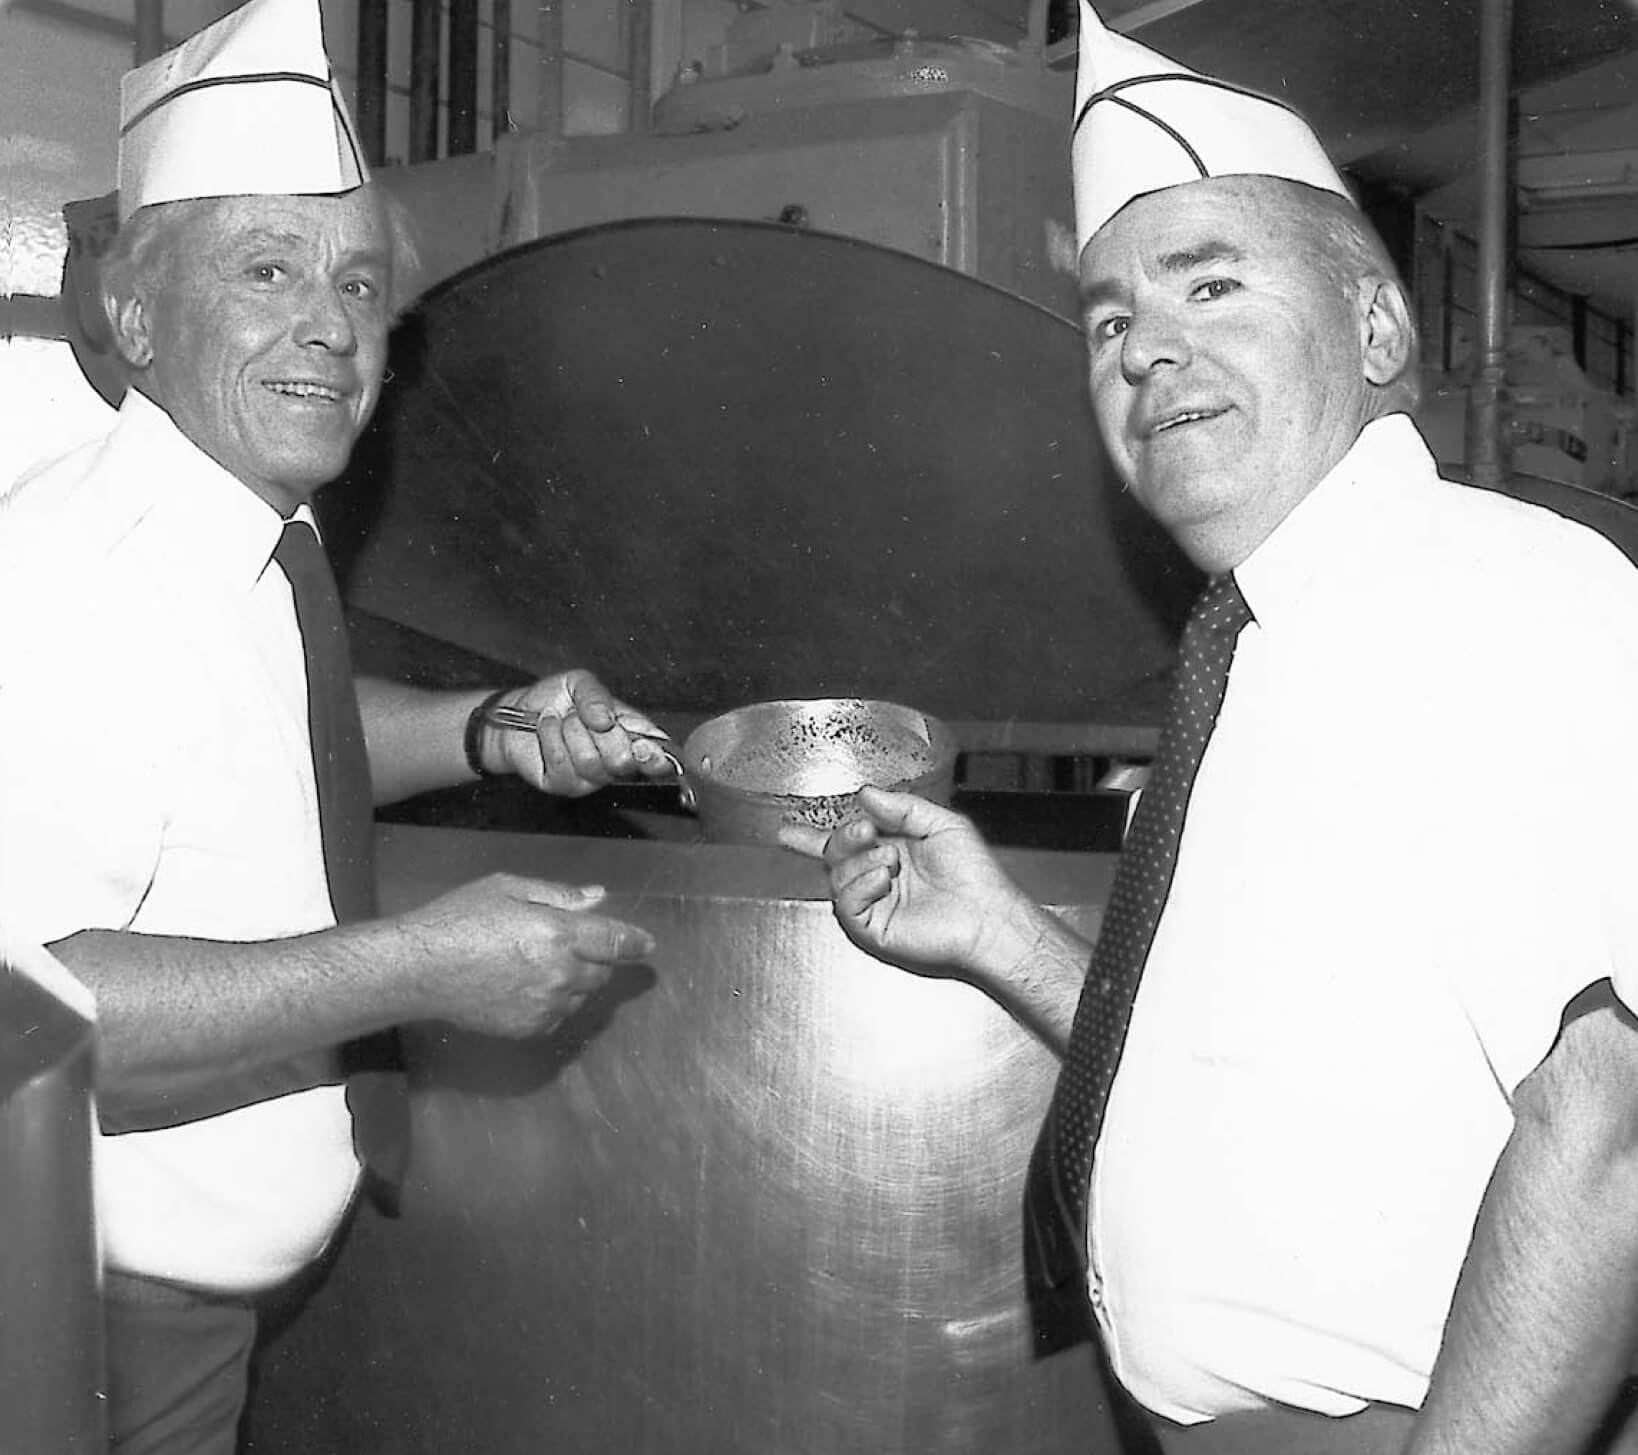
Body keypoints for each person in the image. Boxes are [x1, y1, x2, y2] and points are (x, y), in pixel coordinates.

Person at [783, 5, 1638, 1454]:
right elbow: (1267, 1090)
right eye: (1111, 318)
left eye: (1211, 286)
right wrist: (999, 935)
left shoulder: (1487, 595)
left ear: (1373, 325)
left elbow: (1609, 1127)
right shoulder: (1254, 649)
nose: (1146, 353)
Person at [0, 1, 676, 1450]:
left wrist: (490, 729)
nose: (329, 321)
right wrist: (417, 967)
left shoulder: (235, 539)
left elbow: (268, 755)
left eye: (360, 286)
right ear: (134, 312)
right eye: (267, 269)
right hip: (82, 1327)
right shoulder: (68, 576)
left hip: (199, 1314)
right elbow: (39, 1007)